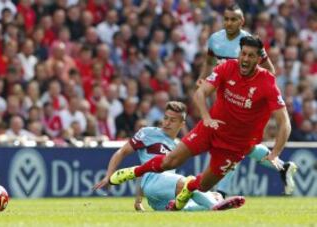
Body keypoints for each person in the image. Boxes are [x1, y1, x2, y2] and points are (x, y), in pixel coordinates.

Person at [109, 36, 291, 210]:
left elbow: (284, 122)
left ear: (259, 59)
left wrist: (276, 153)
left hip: (236, 145)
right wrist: (206, 117)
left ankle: (187, 190)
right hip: (210, 128)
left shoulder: (267, 82)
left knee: (203, 186)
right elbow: (200, 93)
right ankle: (136, 171)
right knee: (170, 161)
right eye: (243, 53)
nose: (245, 58)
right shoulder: (227, 67)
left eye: (251, 55)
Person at [199, 4, 296, 196]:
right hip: (224, 98)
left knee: (231, 144)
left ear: (241, 21)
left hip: (243, 100)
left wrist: (252, 90)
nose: (229, 23)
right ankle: (283, 167)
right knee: (246, 147)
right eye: (226, 19)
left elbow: (270, 71)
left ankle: (221, 192)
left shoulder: (250, 44)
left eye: (233, 19)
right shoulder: (214, 39)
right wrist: (203, 78)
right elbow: (209, 62)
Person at [93, 101, 245, 211]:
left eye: (172, 120)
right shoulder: (148, 133)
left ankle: (215, 200)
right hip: (154, 182)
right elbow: (122, 152)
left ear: (182, 123)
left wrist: (139, 200)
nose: (166, 123)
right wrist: (109, 176)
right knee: (190, 184)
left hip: (159, 199)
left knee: (198, 206)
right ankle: (215, 205)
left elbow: (144, 168)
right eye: (165, 118)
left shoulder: (179, 145)